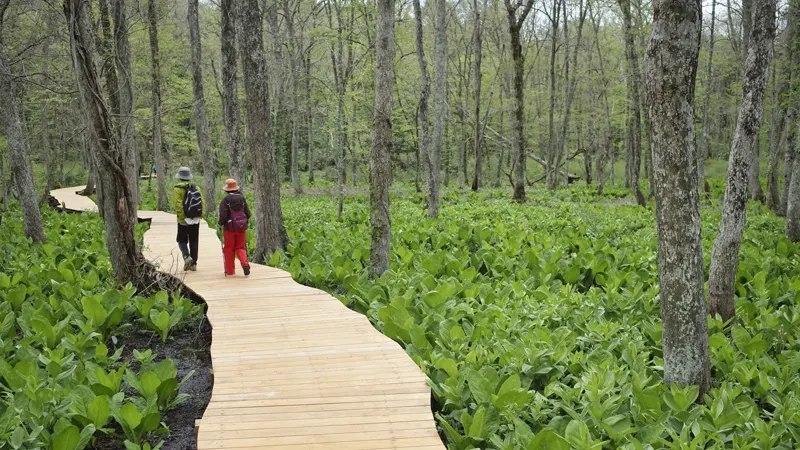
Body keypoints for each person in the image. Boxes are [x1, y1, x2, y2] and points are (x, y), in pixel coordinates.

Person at [218, 178, 251, 276]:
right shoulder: (242, 198)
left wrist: (219, 224)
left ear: (227, 189)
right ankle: (245, 263)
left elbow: (223, 216)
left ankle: (230, 271)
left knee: (228, 249)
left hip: (229, 229)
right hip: (241, 228)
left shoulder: (225, 200)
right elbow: (248, 214)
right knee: (240, 247)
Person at [173, 167, 204, 271]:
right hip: (195, 219)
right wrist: (200, 216)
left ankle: (186, 257)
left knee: (181, 240)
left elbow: (178, 204)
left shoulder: (177, 188)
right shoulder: (196, 187)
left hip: (183, 220)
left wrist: (183, 218)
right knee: (194, 240)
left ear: (180, 177)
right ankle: (194, 264)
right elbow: (202, 202)